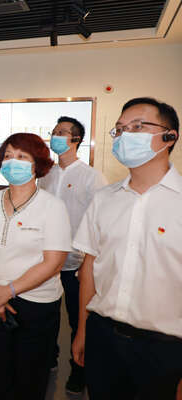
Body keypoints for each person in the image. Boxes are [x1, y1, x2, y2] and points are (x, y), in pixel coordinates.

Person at [72, 97, 182, 400]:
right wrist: (83, 330)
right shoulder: (104, 199)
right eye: (120, 129)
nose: (124, 135)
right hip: (103, 336)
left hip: (164, 347)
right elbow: (89, 269)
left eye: (137, 126)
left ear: (169, 137)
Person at [0, 133, 71, 400]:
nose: (12, 161)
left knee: (30, 380)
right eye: (7, 156)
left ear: (37, 164)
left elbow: (54, 262)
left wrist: (8, 291)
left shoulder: (52, 206)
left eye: (21, 156)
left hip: (36, 304)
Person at [38, 116, 107, 392]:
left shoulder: (91, 177)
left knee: (78, 319)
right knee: (47, 315)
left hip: (76, 264)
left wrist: (89, 263)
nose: (55, 136)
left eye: (62, 132)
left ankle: (79, 370)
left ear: (76, 139)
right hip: (46, 261)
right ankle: (49, 358)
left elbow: (100, 222)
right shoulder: (46, 174)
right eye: (54, 131)